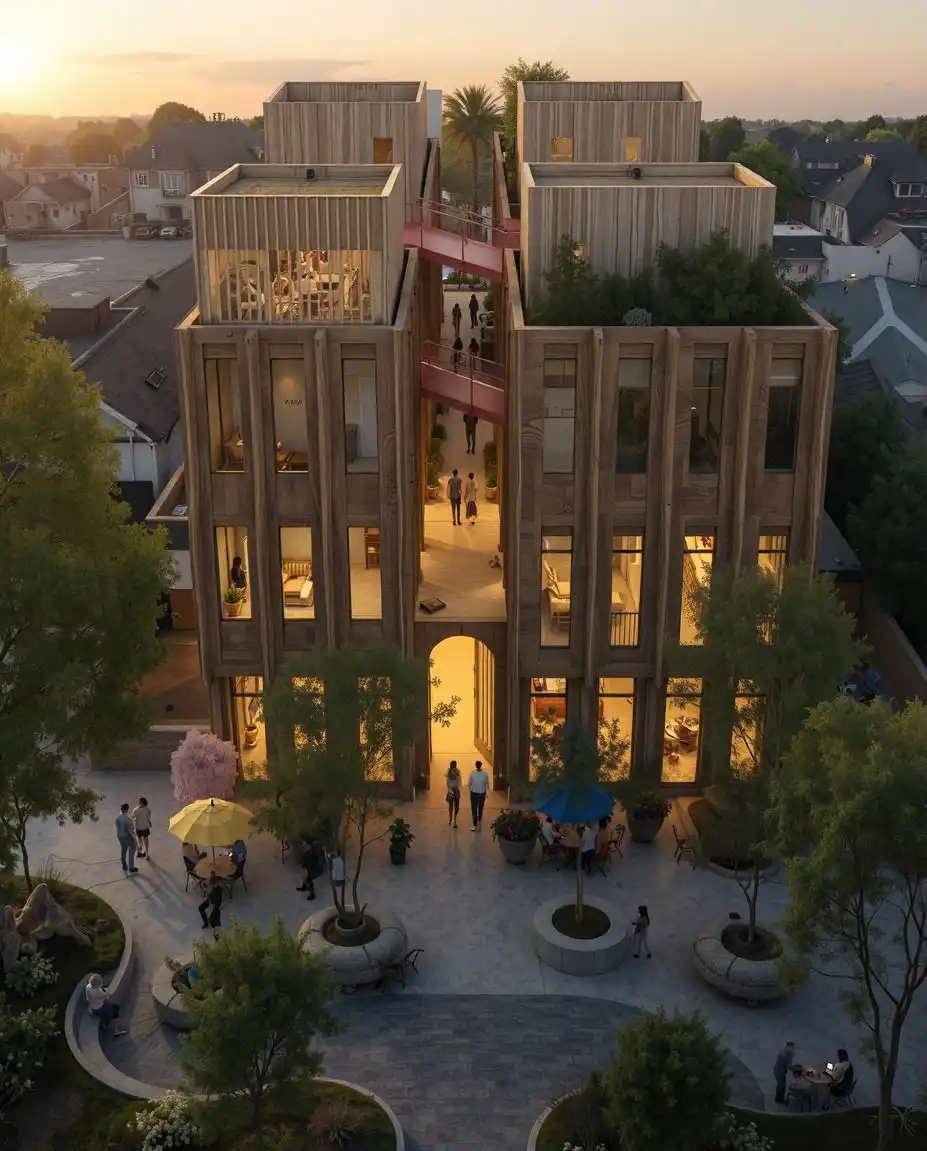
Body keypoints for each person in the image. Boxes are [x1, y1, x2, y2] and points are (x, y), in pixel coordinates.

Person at [115, 803, 138, 874]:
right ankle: (131, 867)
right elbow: (131, 831)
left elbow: (117, 826)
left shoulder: (117, 817)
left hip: (119, 835)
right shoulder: (128, 820)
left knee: (123, 848)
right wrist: (135, 839)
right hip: (127, 836)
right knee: (132, 850)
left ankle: (123, 863)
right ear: (127, 809)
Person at [199, 872, 223, 936]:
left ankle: (218, 936)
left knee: (214, 921)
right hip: (211, 900)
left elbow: (211, 896)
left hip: (215, 905)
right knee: (201, 908)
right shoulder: (211, 884)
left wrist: (208, 892)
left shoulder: (217, 890)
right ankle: (206, 923)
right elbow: (207, 888)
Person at [468, 760, 489, 830]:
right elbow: (487, 784)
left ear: (476, 765)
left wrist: (470, 788)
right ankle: (479, 818)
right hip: (482, 793)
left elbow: (469, 783)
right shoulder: (485, 774)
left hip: (474, 793)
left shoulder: (472, 773)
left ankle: (474, 824)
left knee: (474, 808)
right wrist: (487, 792)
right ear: (481, 765)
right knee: (480, 807)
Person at [446, 760, 462, 827]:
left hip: (450, 791)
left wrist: (449, 789)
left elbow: (447, 783)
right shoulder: (458, 772)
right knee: (457, 806)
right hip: (456, 790)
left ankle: (450, 819)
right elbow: (459, 783)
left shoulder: (448, 772)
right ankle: (454, 819)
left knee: (450, 805)